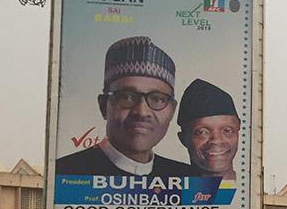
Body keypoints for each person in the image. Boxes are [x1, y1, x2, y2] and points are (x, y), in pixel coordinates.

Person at [56, 36, 191, 176]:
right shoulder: (65, 173)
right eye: (127, 97)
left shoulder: (186, 178)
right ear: (104, 106)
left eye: (157, 99)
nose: (142, 112)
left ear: (172, 111)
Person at [177, 79, 240, 180]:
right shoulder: (170, 192)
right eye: (202, 132)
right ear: (183, 139)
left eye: (227, 130)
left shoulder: (247, 183)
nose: (216, 140)